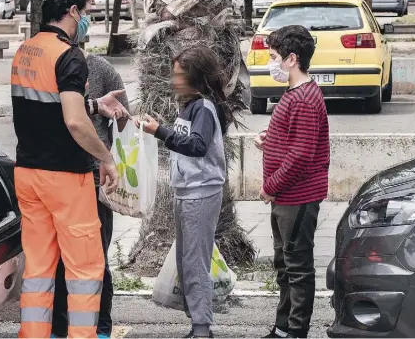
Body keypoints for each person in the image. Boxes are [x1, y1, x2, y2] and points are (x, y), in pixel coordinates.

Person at [10, 0, 128, 337]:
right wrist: (105, 157)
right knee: (84, 270)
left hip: (28, 174)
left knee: (40, 267)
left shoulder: (25, 51)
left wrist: (95, 104)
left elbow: (50, 108)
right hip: (65, 177)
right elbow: (75, 122)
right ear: (73, 12)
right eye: (87, 10)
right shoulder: (70, 55)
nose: (87, 18)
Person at [137, 45, 236, 339]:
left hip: (201, 193)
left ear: (195, 77)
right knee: (187, 261)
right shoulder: (192, 106)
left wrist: (160, 131)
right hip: (189, 192)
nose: (174, 80)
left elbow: (197, 145)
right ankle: (197, 323)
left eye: (179, 74)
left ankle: (202, 329)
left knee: (194, 262)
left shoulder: (204, 108)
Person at [254, 25, 329, 339]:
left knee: (297, 268)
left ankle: (296, 330)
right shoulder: (296, 95)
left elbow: (300, 156)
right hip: (286, 198)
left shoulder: (304, 99)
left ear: (291, 59)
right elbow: (295, 140)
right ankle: (283, 326)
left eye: (274, 57)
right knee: (285, 264)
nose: (270, 63)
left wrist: (269, 187)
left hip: (296, 197)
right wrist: (269, 140)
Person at [51, 49, 130, 339]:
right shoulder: (49, 69)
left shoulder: (102, 69)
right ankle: (60, 328)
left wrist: (118, 116)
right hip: (60, 178)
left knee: (97, 258)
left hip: (96, 180)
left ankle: (101, 328)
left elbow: (125, 121)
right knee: (59, 258)